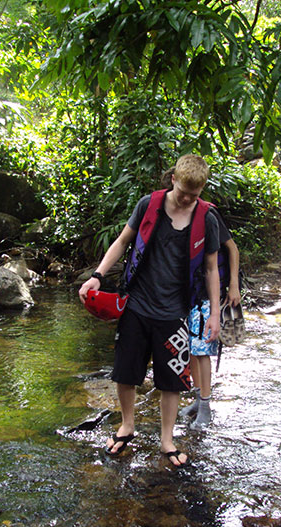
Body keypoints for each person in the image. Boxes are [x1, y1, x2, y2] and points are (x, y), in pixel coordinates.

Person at [78, 154, 221, 466]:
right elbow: (121, 242)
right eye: (183, 191)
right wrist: (97, 276)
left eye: (194, 195)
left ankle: (167, 439)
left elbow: (211, 268)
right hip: (137, 305)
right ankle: (127, 425)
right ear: (173, 179)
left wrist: (214, 314)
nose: (186, 199)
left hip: (175, 312)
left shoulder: (206, 219)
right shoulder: (148, 205)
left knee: (171, 381)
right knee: (125, 371)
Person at [181, 208, 240, 429]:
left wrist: (233, 285)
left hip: (207, 293)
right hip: (186, 294)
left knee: (202, 348)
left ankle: (206, 405)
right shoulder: (170, 214)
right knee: (191, 349)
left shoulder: (208, 216)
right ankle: (198, 399)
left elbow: (232, 248)